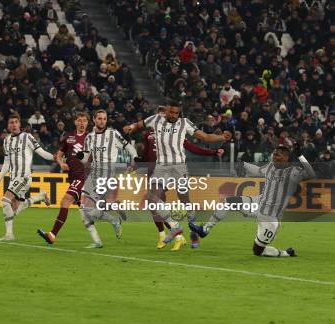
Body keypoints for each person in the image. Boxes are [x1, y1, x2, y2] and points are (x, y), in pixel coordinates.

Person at [123, 101, 231, 250]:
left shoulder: (184, 123)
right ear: (166, 112)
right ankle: (175, 227)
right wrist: (131, 127)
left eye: (177, 113)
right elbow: (139, 124)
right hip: (161, 167)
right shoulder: (156, 119)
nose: (174, 115)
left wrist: (221, 138)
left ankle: (193, 230)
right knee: (151, 197)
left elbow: (205, 137)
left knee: (184, 198)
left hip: (179, 167)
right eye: (171, 112)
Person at [189, 146, 315, 257]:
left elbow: (311, 174)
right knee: (228, 201)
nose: (274, 157)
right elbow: (258, 170)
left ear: (286, 158)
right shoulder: (270, 166)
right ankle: (205, 230)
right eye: (274, 154)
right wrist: (243, 164)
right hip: (257, 204)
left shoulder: (293, 172)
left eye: (278, 155)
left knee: (257, 251)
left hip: (270, 218)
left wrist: (300, 155)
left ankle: (286, 253)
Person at [140, 121, 224, 250]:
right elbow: (146, 155)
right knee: (154, 202)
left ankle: (193, 233)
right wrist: (137, 164)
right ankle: (171, 230)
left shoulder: (176, 133)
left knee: (185, 200)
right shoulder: (149, 135)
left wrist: (212, 152)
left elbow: (192, 147)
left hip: (178, 169)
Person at [77, 109, 137, 248]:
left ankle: (113, 218)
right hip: (93, 174)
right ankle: (111, 221)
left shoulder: (113, 133)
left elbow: (128, 147)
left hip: (107, 174)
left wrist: (135, 159)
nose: (102, 121)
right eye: (99, 118)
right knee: (84, 208)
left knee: (89, 209)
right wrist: (79, 156)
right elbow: (85, 158)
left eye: (104, 119)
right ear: (94, 119)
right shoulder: (89, 137)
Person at [0, 114, 54, 241]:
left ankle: (9, 235)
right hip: (13, 178)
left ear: (20, 124)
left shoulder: (27, 137)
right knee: (13, 210)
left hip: (24, 177)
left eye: (16, 122)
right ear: (8, 126)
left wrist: (55, 157)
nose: (14, 124)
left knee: (5, 201)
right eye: (11, 122)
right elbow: (7, 162)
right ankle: (40, 196)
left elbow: (41, 152)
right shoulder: (7, 141)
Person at [37, 111, 90, 244]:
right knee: (87, 211)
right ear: (75, 122)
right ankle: (114, 219)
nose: (82, 123)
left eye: (84, 120)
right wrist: (62, 163)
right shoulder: (68, 137)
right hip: (72, 177)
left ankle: (52, 234)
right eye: (80, 120)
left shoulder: (91, 138)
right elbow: (59, 155)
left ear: (87, 123)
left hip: (83, 177)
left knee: (65, 201)